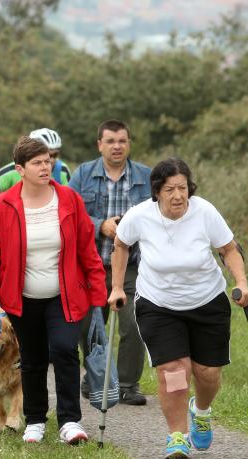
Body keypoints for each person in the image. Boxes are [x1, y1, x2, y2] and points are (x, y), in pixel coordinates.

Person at [108, 157, 248, 459]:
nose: (177, 195)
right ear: (157, 191)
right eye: (170, 189)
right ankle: (178, 435)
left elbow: (228, 249)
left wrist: (241, 282)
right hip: (158, 303)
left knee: (207, 372)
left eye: (182, 188)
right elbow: (121, 245)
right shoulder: (140, 215)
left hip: (207, 300)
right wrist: (117, 286)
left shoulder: (204, 212)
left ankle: (201, 410)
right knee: (174, 371)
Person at [0, 136, 107, 445]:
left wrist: (99, 291)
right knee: (33, 357)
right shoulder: (2, 204)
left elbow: (86, 248)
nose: (45, 167)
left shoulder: (69, 199)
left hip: (65, 295)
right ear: (20, 169)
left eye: (48, 161)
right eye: (36, 163)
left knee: (64, 349)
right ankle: (35, 420)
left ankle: (70, 421)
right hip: (22, 299)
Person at [68, 119, 152, 406]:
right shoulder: (82, 174)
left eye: (122, 141)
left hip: (131, 266)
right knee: (89, 327)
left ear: (129, 143)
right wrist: (99, 225)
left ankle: (127, 384)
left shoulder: (146, 176)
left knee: (134, 324)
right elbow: (69, 213)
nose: (117, 146)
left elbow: (158, 214)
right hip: (90, 264)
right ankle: (94, 376)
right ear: (99, 145)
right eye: (111, 141)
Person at [0, 128, 71, 224]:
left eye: (55, 155)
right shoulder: (14, 170)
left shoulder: (62, 171)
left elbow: (69, 202)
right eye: (47, 154)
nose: (51, 160)